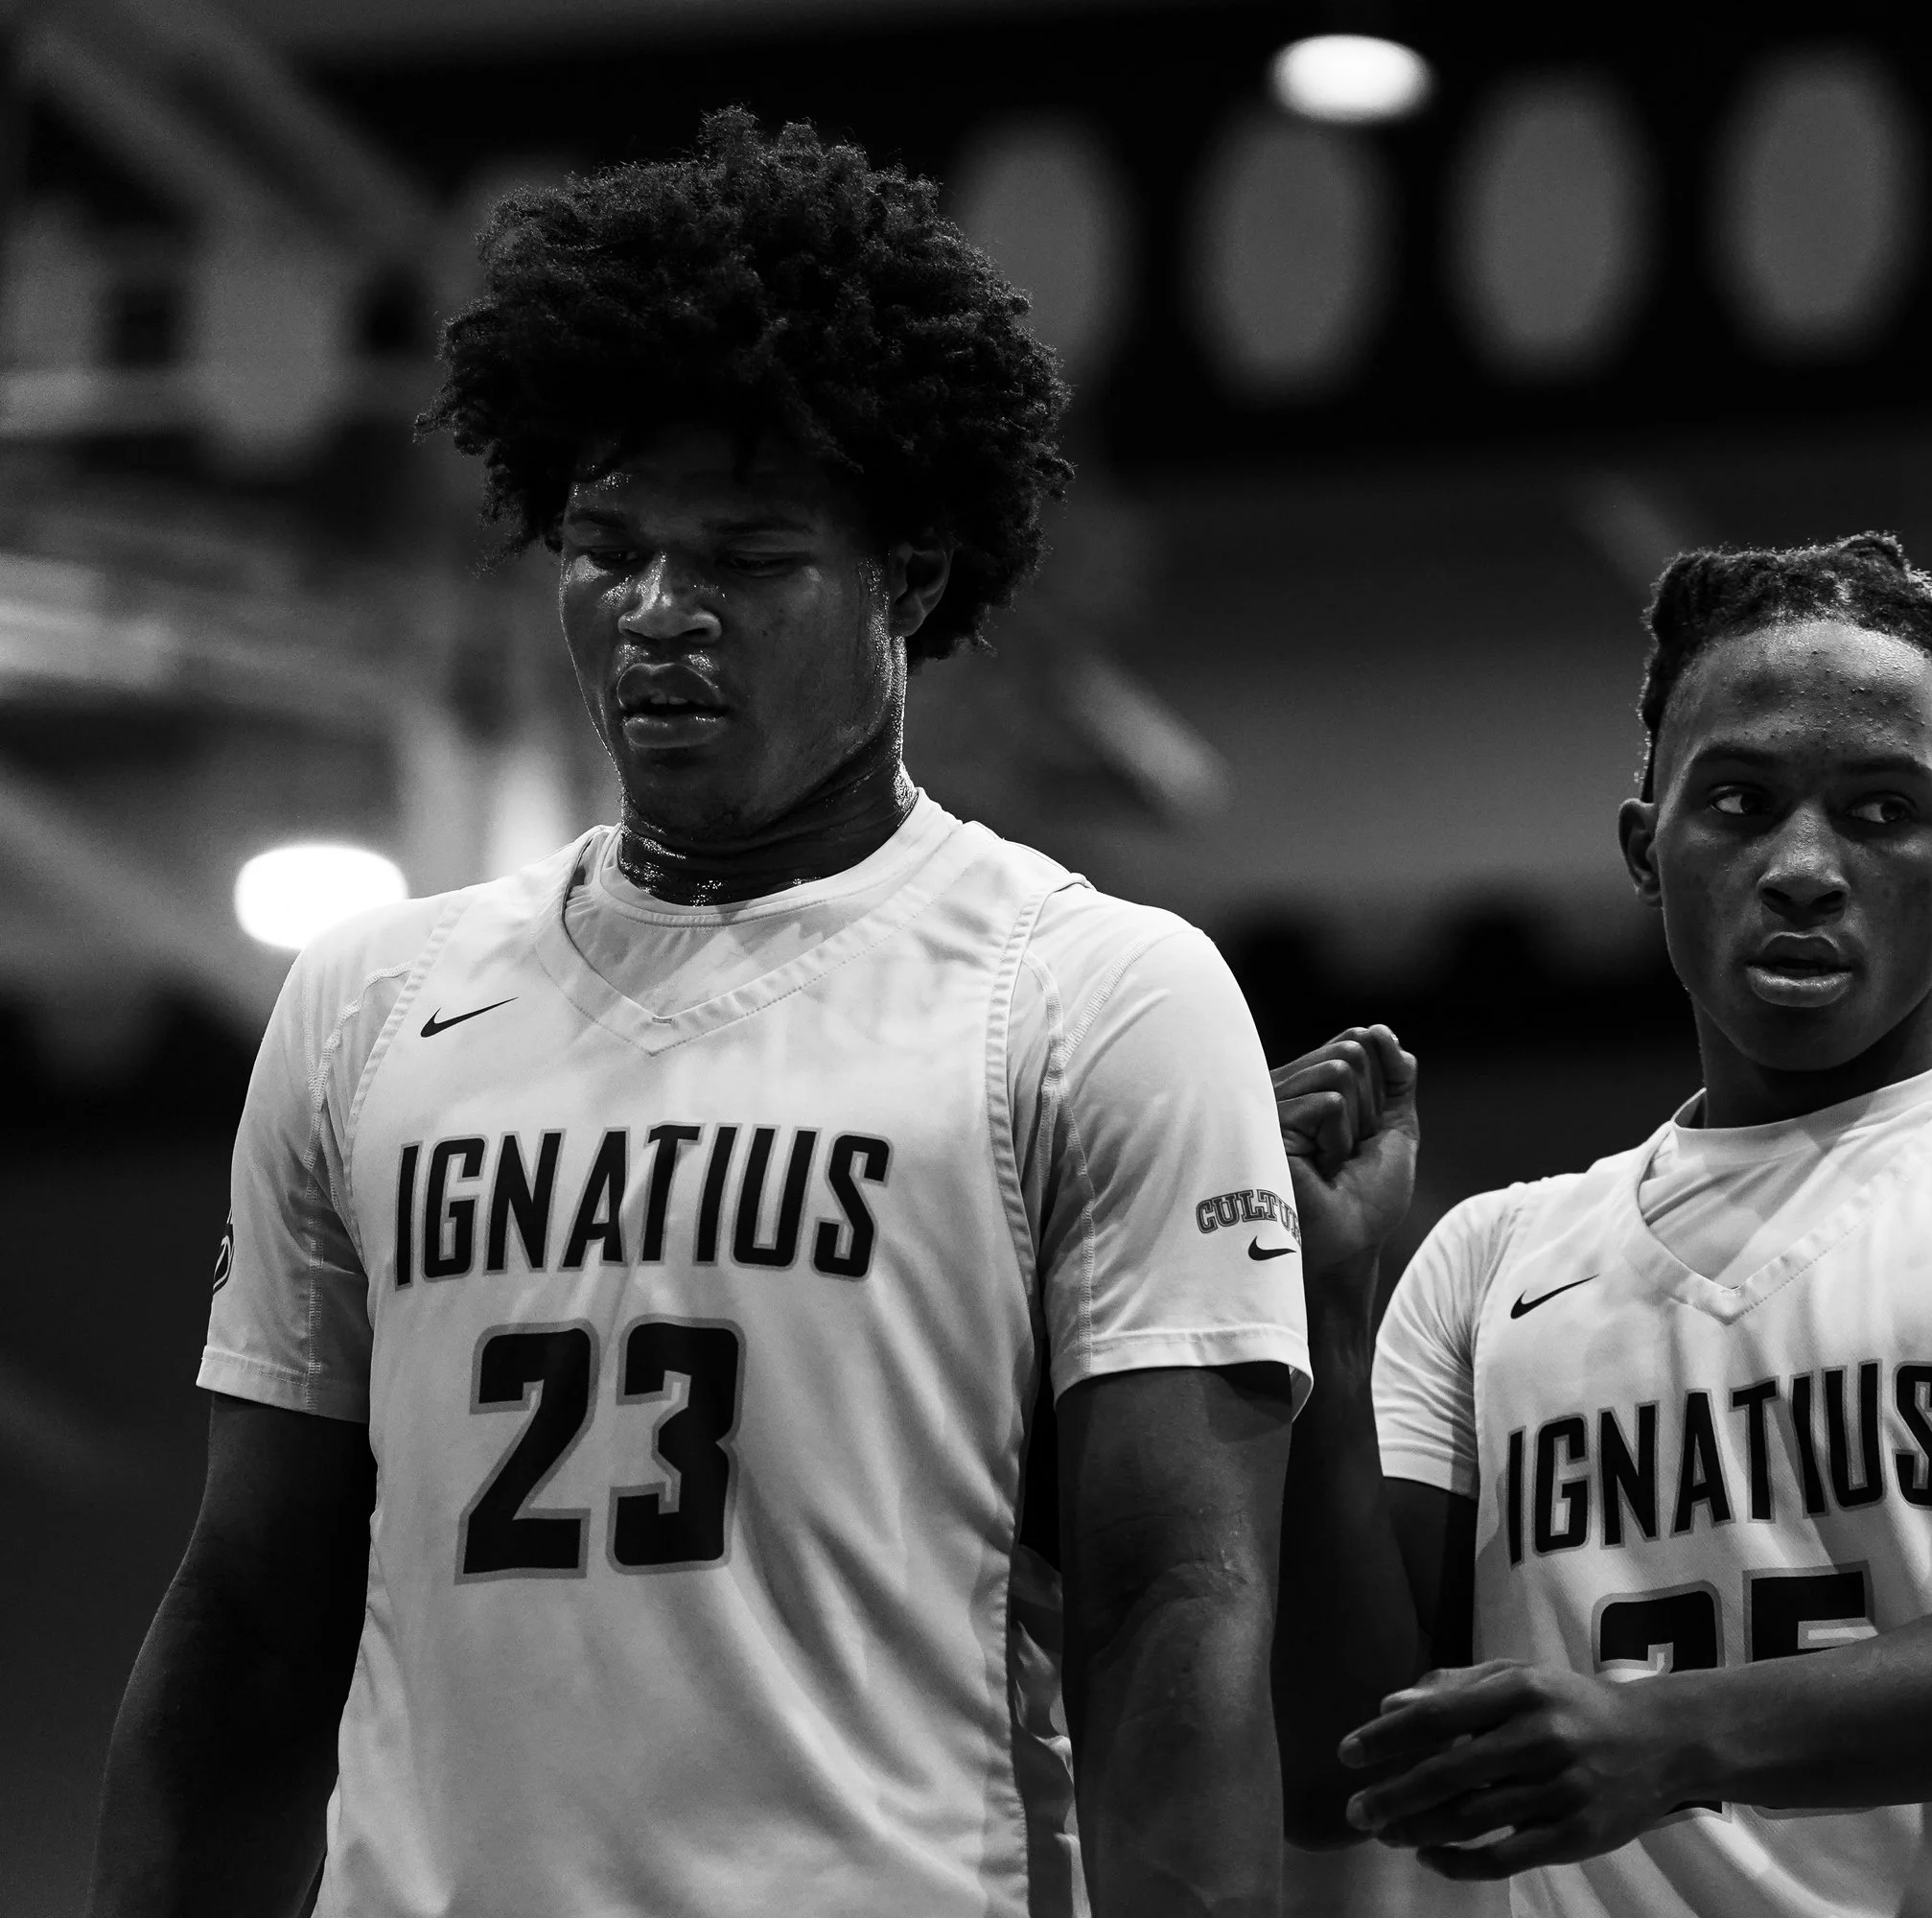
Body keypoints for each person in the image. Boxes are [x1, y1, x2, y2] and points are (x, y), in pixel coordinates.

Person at [90, 112, 1305, 1918]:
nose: (659, 612)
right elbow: (253, 1613)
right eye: (607, 546)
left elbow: (1171, 1614)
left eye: (744, 557)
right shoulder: (369, 1003)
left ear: (908, 574)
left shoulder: (1091, 993)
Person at [1272, 532, 1932, 1916]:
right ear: (1647, 846)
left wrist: (1669, 1738)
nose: (1804, 865)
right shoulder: (1488, 1259)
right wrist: (1321, 1308)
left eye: (1879, 810)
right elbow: (1342, 1771)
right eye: (1740, 802)